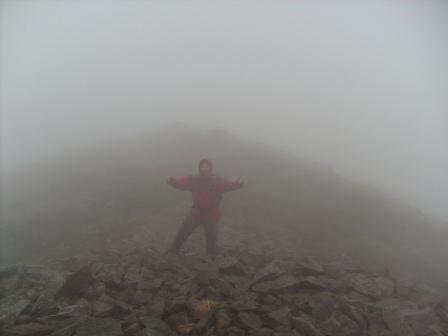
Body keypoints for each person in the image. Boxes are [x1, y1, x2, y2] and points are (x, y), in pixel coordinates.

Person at [166, 158, 244, 255]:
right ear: (199, 168)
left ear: (210, 168)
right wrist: (172, 181)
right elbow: (181, 183)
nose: (204, 168)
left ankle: (211, 260)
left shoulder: (217, 180)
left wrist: (239, 183)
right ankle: (172, 252)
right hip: (196, 213)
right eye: (202, 166)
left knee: (211, 240)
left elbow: (230, 185)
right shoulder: (194, 179)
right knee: (183, 232)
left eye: (206, 167)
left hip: (211, 214)